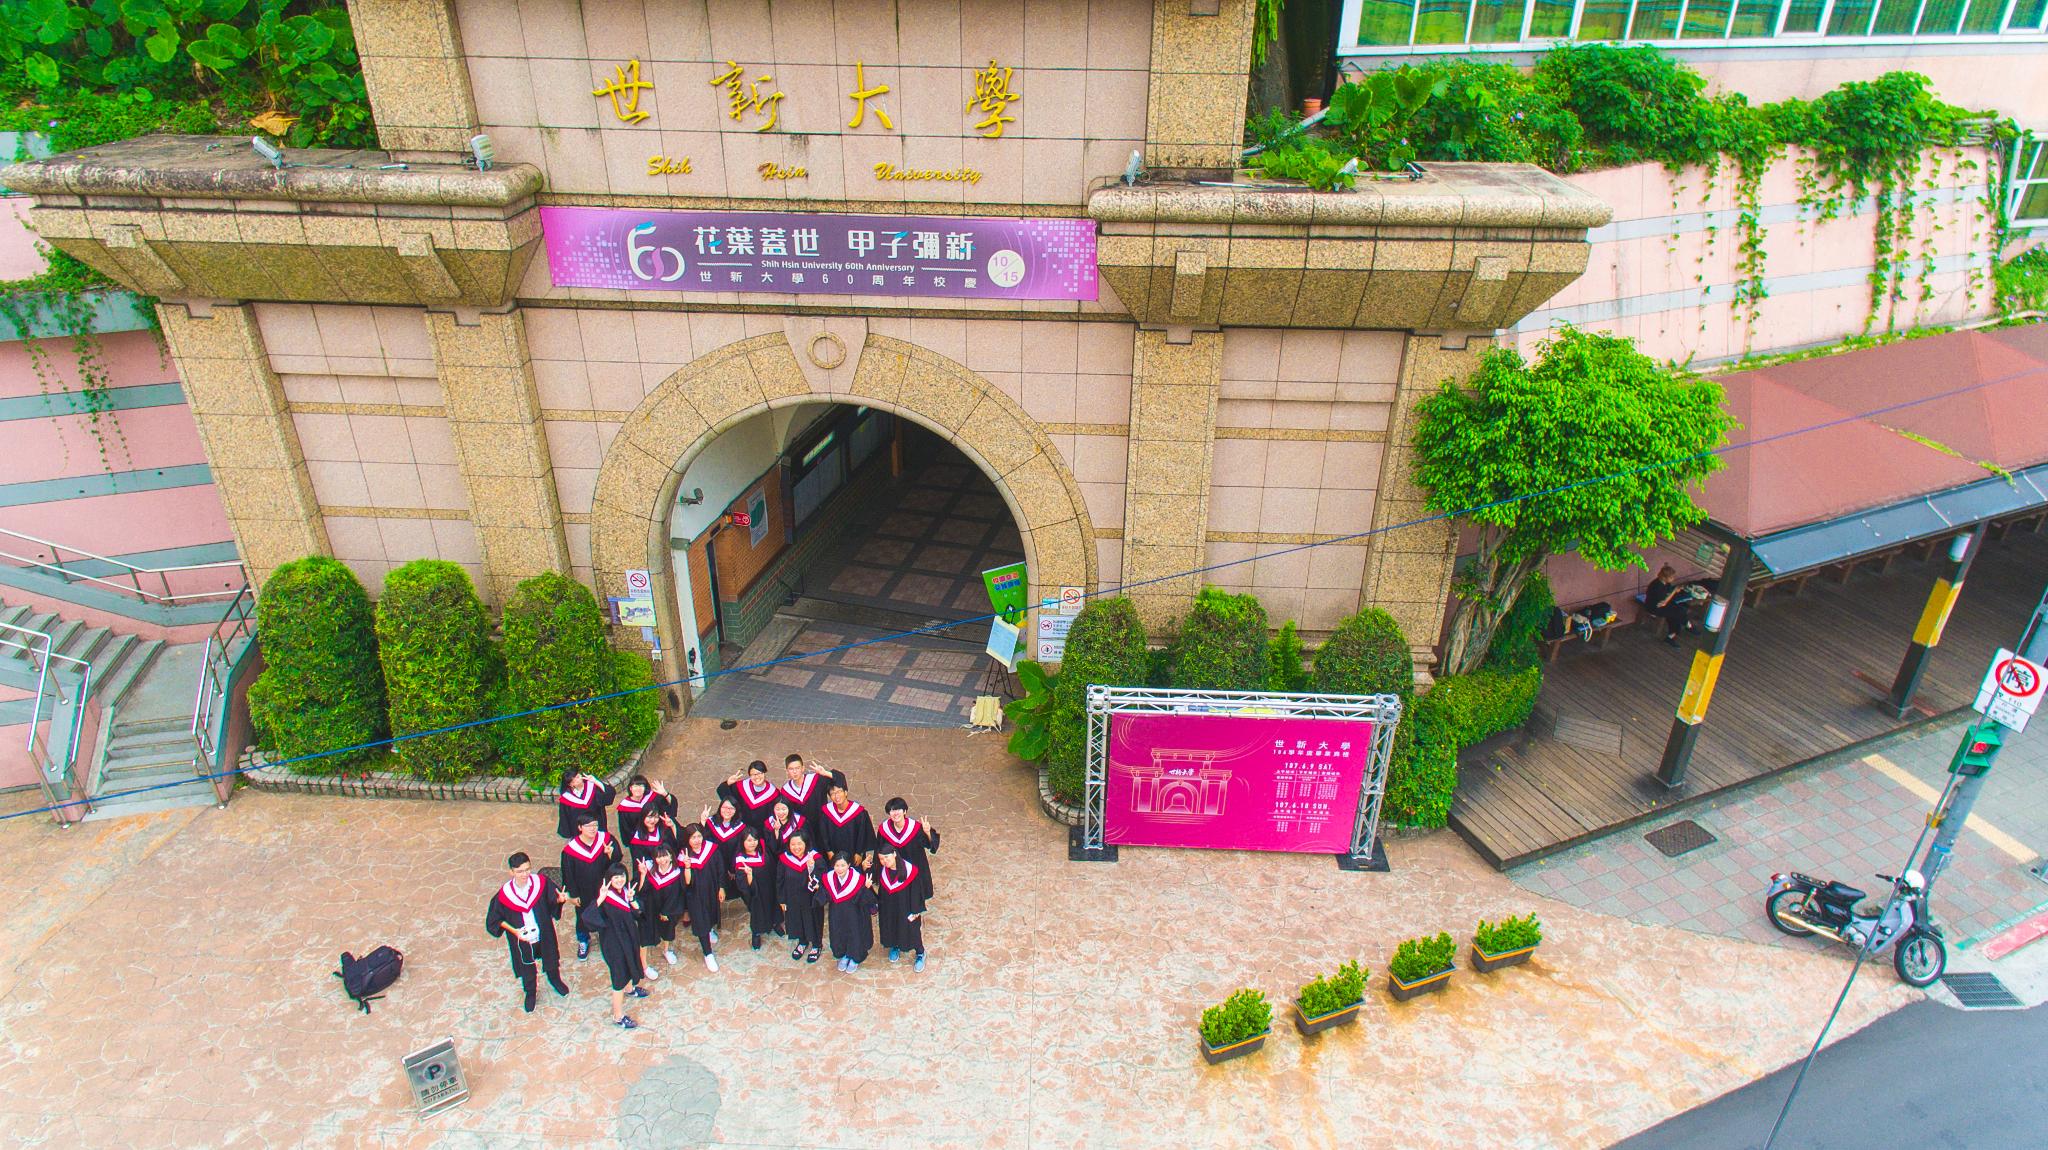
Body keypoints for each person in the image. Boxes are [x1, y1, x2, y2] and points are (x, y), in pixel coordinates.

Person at [483, 852, 571, 1012]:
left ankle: (555, 980)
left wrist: (559, 900)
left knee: (550, 956)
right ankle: (530, 992)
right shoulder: (504, 895)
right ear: (511, 872)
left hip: (543, 931)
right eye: (520, 871)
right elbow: (495, 920)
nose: (525, 874)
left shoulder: (541, 883)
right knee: (526, 965)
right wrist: (514, 931)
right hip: (522, 938)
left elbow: (553, 900)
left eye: (527, 869)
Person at [579, 866, 651, 1029]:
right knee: (619, 976)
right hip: (613, 942)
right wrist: (600, 898)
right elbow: (586, 917)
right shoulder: (605, 897)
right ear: (609, 879)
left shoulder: (625, 892)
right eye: (615, 877)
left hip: (629, 938)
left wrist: (632, 900)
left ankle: (629, 989)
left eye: (622, 876)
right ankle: (618, 1016)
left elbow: (639, 914)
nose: (619, 880)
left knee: (629, 963)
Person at [559, 815, 622, 961]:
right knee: (583, 914)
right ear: (580, 828)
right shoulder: (570, 850)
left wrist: (610, 854)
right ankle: (583, 940)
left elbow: (616, 862)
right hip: (583, 890)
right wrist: (573, 894)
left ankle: (607, 937)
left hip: (604, 887)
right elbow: (568, 874)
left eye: (595, 825)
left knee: (607, 912)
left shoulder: (606, 839)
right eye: (588, 826)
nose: (593, 829)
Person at [815, 853, 877, 973]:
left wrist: (865, 888)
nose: (839, 869)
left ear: (849, 865)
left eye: (843, 865)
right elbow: (826, 896)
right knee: (839, 932)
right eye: (837, 865)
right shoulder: (828, 878)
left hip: (854, 914)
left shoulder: (858, 878)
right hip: (836, 913)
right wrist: (818, 888)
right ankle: (844, 954)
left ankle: (855, 957)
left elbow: (864, 899)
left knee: (855, 933)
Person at [873, 844, 928, 972]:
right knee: (891, 925)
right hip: (889, 907)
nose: (884, 861)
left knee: (912, 930)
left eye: (886, 857)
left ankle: (920, 953)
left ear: (894, 854)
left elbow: (916, 892)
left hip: (906, 907)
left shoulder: (910, 870)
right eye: (881, 859)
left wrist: (915, 910)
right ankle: (895, 945)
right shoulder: (883, 870)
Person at [678, 824, 724, 972]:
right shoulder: (684, 856)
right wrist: (687, 867)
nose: (697, 840)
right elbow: (686, 882)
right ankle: (707, 953)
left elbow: (720, 869)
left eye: (699, 836)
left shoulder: (711, 849)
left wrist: (721, 887)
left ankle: (710, 930)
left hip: (711, 891)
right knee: (700, 920)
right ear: (687, 839)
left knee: (710, 913)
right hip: (695, 896)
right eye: (693, 837)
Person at [877, 798, 940, 902]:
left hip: (915, 864)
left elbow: (930, 846)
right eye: (892, 810)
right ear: (889, 813)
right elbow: (880, 850)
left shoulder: (915, 827)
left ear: (905, 811)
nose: (895, 813)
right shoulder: (884, 829)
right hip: (894, 867)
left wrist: (928, 833)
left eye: (898, 809)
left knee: (915, 895)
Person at [637, 843, 687, 968]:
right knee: (646, 932)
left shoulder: (676, 873)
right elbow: (642, 891)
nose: (662, 860)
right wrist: (642, 874)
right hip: (650, 908)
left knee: (668, 930)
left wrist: (666, 912)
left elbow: (676, 895)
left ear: (671, 856)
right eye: (658, 857)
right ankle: (644, 964)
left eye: (665, 856)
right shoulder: (650, 870)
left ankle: (666, 950)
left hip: (668, 910)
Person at [777, 831, 824, 964]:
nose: (796, 847)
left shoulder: (815, 858)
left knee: (814, 920)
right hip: (793, 898)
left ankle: (816, 945)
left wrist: (812, 868)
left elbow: (823, 877)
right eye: (793, 844)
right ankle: (802, 941)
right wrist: (782, 899)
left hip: (811, 899)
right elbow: (779, 880)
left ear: (806, 844)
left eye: (799, 844)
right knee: (797, 920)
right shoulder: (784, 859)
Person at [1645, 565, 1716, 646]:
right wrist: (1674, 591)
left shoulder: (1665, 583)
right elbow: (1664, 601)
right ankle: (1687, 627)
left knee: (1679, 611)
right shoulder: (1657, 586)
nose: (1673, 579)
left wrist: (1676, 590)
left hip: (1662, 605)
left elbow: (1668, 593)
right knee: (1679, 612)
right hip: (1654, 607)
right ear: (1664, 577)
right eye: (1671, 577)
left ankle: (1675, 633)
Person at [731, 829, 778, 950]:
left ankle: (775, 923)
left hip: (769, 886)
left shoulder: (763, 850)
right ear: (743, 842)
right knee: (757, 911)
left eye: (755, 839)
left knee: (773, 905)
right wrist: (749, 875)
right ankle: (756, 932)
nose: (753, 843)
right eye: (749, 840)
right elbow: (742, 885)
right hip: (755, 892)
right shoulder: (741, 860)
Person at [817, 778, 875, 869]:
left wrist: (859, 853)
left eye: (839, 791)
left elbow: (863, 833)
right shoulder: (826, 812)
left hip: (854, 855)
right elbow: (823, 833)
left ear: (846, 792)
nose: (836, 796)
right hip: (833, 855)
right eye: (832, 793)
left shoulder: (859, 812)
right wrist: (828, 851)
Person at [700, 799, 748, 894]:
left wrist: (733, 869)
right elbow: (702, 840)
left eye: (731, 808)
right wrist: (702, 822)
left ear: (736, 810)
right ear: (720, 808)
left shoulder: (741, 828)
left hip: (731, 863)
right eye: (725, 807)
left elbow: (739, 849)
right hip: (713, 862)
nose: (727, 810)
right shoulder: (710, 822)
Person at [718, 760, 781, 830]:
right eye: (753, 774)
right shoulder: (741, 786)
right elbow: (726, 796)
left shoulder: (774, 793)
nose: (756, 777)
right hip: (740, 827)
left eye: (759, 773)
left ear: (764, 773)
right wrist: (727, 783)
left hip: (760, 831)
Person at [555, 768, 615, 840]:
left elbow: (609, 794)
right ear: (571, 784)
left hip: (597, 825)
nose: (578, 777)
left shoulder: (593, 786)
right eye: (574, 779)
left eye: (578, 775)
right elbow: (565, 817)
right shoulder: (567, 798)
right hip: (579, 830)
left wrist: (596, 781)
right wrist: (569, 833)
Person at [614, 775, 675, 843]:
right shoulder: (624, 808)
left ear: (645, 788)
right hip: (640, 841)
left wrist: (665, 794)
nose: (638, 789)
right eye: (635, 786)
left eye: (641, 786)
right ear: (630, 788)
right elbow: (626, 829)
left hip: (660, 834)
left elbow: (669, 807)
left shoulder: (653, 798)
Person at [778, 753, 834, 825]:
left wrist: (826, 773)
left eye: (797, 768)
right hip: (803, 828)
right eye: (791, 769)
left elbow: (838, 780)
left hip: (823, 824)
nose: (795, 772)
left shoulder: (817, 779)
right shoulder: (786, 791)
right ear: (787, 771)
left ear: (803, 768)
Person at [625, 803, 678, 871]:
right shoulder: (637, 839)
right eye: (650, 817)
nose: (653, 820)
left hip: (669, 868)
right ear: (643, 816)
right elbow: (639, 862)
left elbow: (676, 846)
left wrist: (672, 826)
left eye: (656, 817)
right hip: (649, 872)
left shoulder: (664, 830)